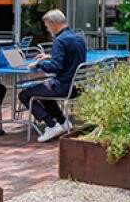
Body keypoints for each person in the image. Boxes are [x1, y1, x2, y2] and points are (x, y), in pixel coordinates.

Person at [21, 9, 86, 143]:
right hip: (77, 86)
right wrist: (50, 56)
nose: (47, 29)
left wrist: (39, 64)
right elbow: (69, 58)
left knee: (24, 95)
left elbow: (55, 67)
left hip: (63, 87)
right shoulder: (78, 38)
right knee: (43, 91)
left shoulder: (59, 40)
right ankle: (63, 123)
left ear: (54, 23)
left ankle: (51, 125)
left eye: (47, 26)